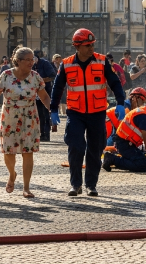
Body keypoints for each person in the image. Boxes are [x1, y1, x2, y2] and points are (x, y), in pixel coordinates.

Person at [50, 29, 126, 196]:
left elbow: (115, 82)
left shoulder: (102, 61)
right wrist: (53, 109)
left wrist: (120, 102)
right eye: (87, 45)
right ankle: (75, 184)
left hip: (97, 112)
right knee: (76, 147)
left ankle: (91, 185)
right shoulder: (67, 63)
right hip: (75, 113)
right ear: (78, 46)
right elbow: (57, 88)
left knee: (96, 148)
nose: (91, 47)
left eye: (92, 44)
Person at [0, 47, 52, 197]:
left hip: (30, 117)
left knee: (28, 152)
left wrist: (52, 112)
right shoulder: (6, 75)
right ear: (18, 61)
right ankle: (12, 174)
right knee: (9, 152)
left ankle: (26, 187)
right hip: (10, 117)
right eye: (28, 60)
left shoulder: (36, 77)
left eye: (33, 59)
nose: (32, 62)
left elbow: (44, 97)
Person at [102, 99, 146, 173]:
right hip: (124, 143)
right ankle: (112, 159)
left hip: (125, 142)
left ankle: (114, 159)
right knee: (143, 165)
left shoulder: (143, 112)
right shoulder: (144, 117)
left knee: (142, 161)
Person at [32, 50, 57, 142]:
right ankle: (40, 133)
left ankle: (46, 134)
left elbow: (52, 75)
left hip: (45, 91)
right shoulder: (30, 65)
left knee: (45, 113)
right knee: (38, 114)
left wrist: (41, 81)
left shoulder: (44, 63)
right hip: (34, 92)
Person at [52, 54, 68, 118]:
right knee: (57, 97)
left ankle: (64, 112)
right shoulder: (52, 65)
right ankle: (58, 111)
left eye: (59, 59)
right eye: (57, 59)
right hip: (54, 83)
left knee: (63, 97)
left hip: (63, 83)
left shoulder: (62, 65)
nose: (58, 60)